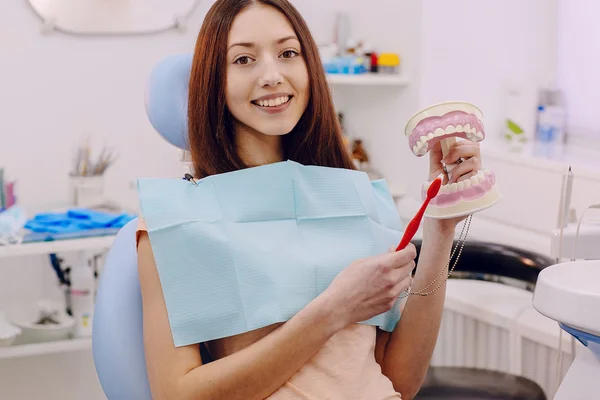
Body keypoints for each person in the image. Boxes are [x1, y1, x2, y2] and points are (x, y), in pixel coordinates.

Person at [136, 0, 483, 399]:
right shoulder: (175, 222)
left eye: (288, 53)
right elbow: (175, 395)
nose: (272, 75)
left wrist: (440, 228)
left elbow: (399, 381)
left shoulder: (353, 198)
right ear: (213, 80)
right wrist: (333, 310)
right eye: (244, 59)